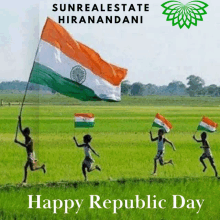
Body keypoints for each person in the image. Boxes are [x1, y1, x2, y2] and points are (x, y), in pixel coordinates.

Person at [14, 116, 46, 184]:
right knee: (27, 168)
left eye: (25, 133)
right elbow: (20, 129)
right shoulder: (26, 137)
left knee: (31, 168)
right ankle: (25, 180)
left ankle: (41, 167)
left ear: (27, 133)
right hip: (29, 154)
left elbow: (25, 146)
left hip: (31, 155)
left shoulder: (30, 140)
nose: (24, 134)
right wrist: (19, 120)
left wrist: (17, 142)